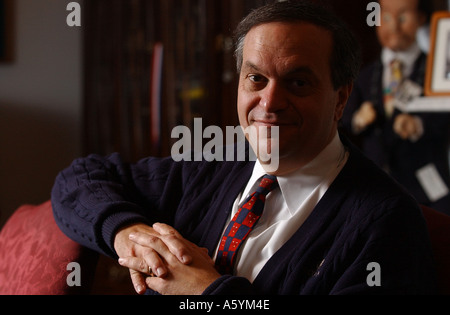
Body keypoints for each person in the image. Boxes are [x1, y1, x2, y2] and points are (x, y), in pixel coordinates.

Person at [51, 1, 436, 295]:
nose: (269, 103)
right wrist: (130, 234)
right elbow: (77, 180)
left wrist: (208, 291)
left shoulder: (385, 222)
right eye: (256, 79)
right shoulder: (209, 165)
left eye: (298, 83)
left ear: (340, 98)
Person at [341, 0, 450, 214]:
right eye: (386, 17)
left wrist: (419, 123)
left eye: (403, 18)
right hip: (376, 184)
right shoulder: (365, 75)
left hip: (427, 183)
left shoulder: (438, 70)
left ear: (421, 18)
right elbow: (345, 116)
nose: (394, 27)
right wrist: (357, 118)